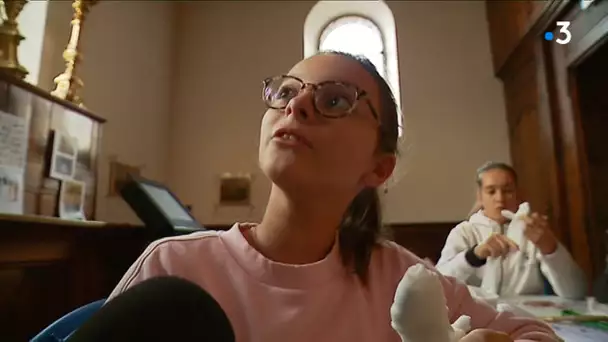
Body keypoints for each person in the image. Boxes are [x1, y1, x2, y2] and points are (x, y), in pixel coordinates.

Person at [105, 52, 559, 341]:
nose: (295, 105)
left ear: (378, 168)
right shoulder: (174, 269)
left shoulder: (398, 278)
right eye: (286, 92)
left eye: (336, 101)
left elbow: (534, 333)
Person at [436, 162, 586, 299]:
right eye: (491, 191)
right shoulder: (464, 233)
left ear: (518, 195)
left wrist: (551, 249)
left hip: (530, 319)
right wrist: (474, 255)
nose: (500, 198)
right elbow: (438, 286)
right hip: (477, 320)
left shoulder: (534, 232)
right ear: (480, 196)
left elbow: (576, 292)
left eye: (508, 191)